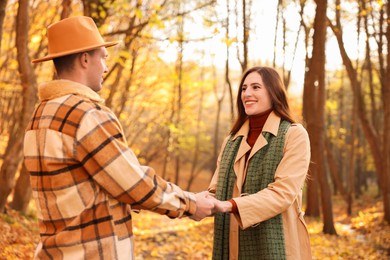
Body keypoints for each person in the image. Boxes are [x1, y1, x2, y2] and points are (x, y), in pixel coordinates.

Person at [24, 16, 215, 259]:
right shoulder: (86, 114)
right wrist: (191, 203)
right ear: (84, 59)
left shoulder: (38, 115)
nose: (105, 67)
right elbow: (133, 183)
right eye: (103, 57)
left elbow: (97, 184)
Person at [209, 66, 312, 259]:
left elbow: (282, 193)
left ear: (274, 93)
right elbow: (215, 192)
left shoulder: (294, 134)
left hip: (278, 244)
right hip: (232, 244)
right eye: (244, 88)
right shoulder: (231, 141)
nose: (247, 93)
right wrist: (186, 202)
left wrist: (230, 205)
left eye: (256, 87)